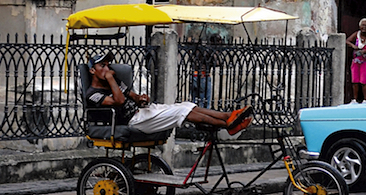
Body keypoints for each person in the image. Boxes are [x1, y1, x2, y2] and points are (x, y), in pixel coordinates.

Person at [85, 51, 253, 135]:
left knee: (187, 105)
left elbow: (132, 96)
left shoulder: (114, 84)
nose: (107, 69)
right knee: (182, 112)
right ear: (93, 70)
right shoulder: (93, 93)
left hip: (143, 112)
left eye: (108, 65)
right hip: (133, 121)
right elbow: (119, 101)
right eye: (103, 66)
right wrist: (111, 79)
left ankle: (228, 116)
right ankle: (227, 125)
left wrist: (141, 98)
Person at [346, 18, 366, 104]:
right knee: (355, 80)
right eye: (362, 25)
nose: (364, 27)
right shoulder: (357, 34)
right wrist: (353, 46)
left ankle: (365, 99)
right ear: (359, 26)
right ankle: (355, 99)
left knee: (364, 81)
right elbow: (347, 41)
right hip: (356, 61)